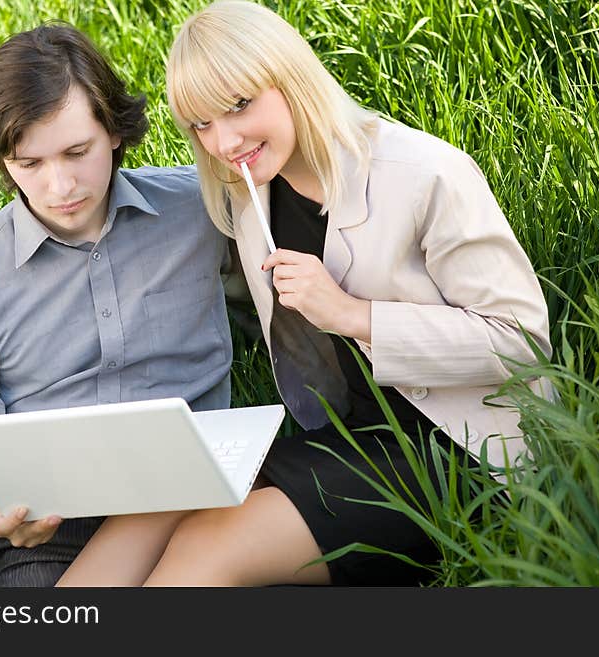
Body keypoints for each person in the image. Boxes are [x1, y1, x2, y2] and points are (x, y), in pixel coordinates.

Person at [55, 0, 553, 587]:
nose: (224, 141)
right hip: (348, 433)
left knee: (207, 546)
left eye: (239, 105)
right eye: (201, 124)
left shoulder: (425, 175)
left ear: (289, 78)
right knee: (164, 504)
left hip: (459, 447)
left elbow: (521, 344)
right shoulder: (248, 194)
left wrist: (352, 315)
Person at [0, 21, 235, 587]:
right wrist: (5, 505)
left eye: (76, 152)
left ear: (113, 130)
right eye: (30, 164)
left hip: (194, 489)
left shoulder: (203, 210)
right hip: (51, 525)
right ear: (3, 160)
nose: (60, 186)